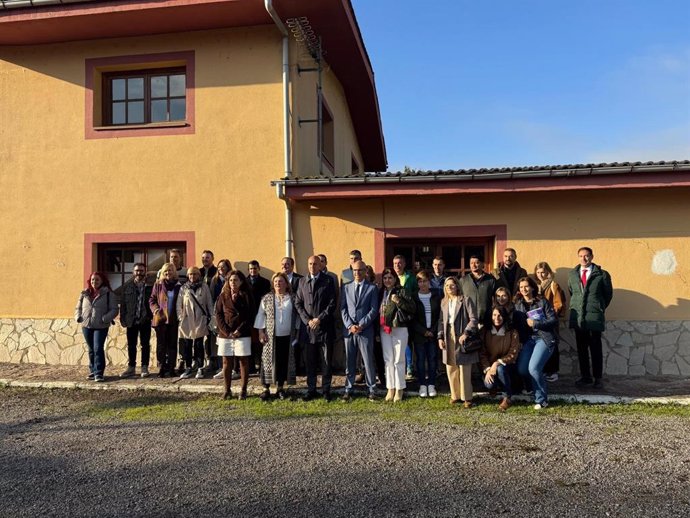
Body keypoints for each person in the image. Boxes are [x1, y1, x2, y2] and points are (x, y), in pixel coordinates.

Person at [567, 247, 613, 390]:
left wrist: (598, 307)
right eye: (581, 256)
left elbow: (608, 295)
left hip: (594, 318)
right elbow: (572, 292)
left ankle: (598, 378)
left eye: (586, 256)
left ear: (592, 256)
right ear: (578, 257)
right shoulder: (573, 275)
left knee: (595, 349)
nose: (584, 259)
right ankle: (585, 377)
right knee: (581, 350)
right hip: (579, 318)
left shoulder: (602, 274)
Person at [294, 255, 337, 401]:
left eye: (315, 264)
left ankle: (326, 390)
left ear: (320, 266)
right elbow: (298, 303)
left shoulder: (328, 281)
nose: (312, 266)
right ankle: (311, 389)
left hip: (324, 328)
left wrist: (319, 319)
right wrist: (308, 320)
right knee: (310, 362)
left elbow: (332, 303)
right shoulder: (301, 281)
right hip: (308, 330)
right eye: (310, 263)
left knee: (326, 362)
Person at [513, 276, 558, 410]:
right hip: (528, 340)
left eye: (526, 286)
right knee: (522, 369)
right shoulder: (518, 304)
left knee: (533, 368)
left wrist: (536, 323)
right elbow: (517, 325)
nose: (524, 289)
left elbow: (553, 321)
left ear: (532, 287)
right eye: (521, 287)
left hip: (544, 338)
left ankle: (542, 400)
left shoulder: (542, 301)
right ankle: (535, 383)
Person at [254, 272, 299, 401]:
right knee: (267, 361)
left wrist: (297, 332)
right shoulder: (267, 298)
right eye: (275, 282)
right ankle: (266, 388)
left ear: (286, 283)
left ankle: (280, 388)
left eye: (280, 281)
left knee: (282, 362)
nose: (278, 284)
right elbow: (261, 315)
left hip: (287, 336)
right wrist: (261, 332)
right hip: (270, 337)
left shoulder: (292, 298)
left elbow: (296, 316)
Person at [340, 260, 380, 401]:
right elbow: (343, 308)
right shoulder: (346, 287)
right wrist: (350, 325)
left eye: (360, 270)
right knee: (350, 361)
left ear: (365, 271)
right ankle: (348, 389)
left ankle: (372, 389)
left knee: (368, 361)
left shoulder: (372, 288)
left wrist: (362, 324)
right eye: (355, 270)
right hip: (349, 331)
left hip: (365, 330)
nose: (357, 273)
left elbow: (374, 310)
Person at [437, 276, 478, 408]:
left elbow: (473, 319)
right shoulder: (443, 302)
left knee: (464, 367)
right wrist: (440, 337)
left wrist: (466, 333)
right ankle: (455, 395)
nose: (450, 287)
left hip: (462, 335)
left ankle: (467, 397)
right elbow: (441, 321)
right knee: (451, 366)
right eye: (447, 285)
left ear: (457, 286)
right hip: (448, 335)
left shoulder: (465, 300)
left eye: (452, 285)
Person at [378, 267, 416, 402]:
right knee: (388, 360)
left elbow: (412, 308)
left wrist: (398, 301)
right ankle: (390, 388)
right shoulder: (380, 292)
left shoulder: (402, 291)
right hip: (384, 328)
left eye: (390, 278)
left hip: (399, 327)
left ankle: (399, 389)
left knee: (399, 359)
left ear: (395, 279)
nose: (387, 280)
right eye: (385, 278)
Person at [215, 270, 254, 400]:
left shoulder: (247, 295)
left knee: (243, 361)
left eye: (236, 280)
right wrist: (227, 332)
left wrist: (239, 330)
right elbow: (218, 314)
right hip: (226, 333)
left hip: (242, 333)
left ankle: (243, 390)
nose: (233, 283)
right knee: (226, 362)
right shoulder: (223, 296)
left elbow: (250, 315)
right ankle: (227, 390)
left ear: (241, 281)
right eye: (231, 280)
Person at [75, 272, 119, 382]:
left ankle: (99, 373)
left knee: (98, 348)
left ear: (102, 281)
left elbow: (114, 309)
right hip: (86, 325)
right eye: (92, 280)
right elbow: (78, 307)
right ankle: (93, 370)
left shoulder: (108, 293)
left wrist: (105, 318)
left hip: (101, 326)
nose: (94, 282)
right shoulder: (85, 293)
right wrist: (78, 317)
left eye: (97, 280)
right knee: (91, 349)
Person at [480, 306, 521, 411]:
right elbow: (482, 353)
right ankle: (495, 386)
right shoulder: (485, 331)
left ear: (505, 317)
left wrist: (497, 363)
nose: (497, 318)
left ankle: (507, 397)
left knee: (500, 369)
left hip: (507, 366)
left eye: (500, 315)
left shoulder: (512, 332)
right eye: (494, 315)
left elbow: (513, 353)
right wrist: (488, 369)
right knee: (489, 385)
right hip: (489, 367)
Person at [177, 266, 214, 379]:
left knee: (199, 344)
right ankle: (188, 368)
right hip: (187, 320)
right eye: (190, 274)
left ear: (199, 275)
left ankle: (200, 368)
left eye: (195, 274)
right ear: (188, 276)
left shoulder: (204, 287)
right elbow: (179, 304)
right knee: (187, 345)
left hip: (200, 319)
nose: (193, 276)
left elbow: (209, 303)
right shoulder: (184, 288)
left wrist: (211, 317)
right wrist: (180, 317)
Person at [119, 262, 153, 378]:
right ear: (133, 272)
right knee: (131, 345)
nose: (139, 273)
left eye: (141, 271)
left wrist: (152, 317)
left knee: (145, 345)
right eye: (137, 271)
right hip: (131, 320)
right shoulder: (127, 286)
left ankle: (144, 367)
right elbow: (123, 304)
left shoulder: (150, 286)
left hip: (145, 320)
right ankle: (131, 367)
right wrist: (123, 319)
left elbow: (154, 302)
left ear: (145, 272)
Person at [534, 262, 566, 382]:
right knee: (541, 344)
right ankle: (543, 369)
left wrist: (550, 315)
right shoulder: (537, 286)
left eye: (543, 272)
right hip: (539, 321)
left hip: (550, 320)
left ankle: (553, 371)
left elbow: (558, 304)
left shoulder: (553, 285)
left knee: (552, 344)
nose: (540, 275)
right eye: (538, 272)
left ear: (548, 272)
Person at [149, 263, 182, 377]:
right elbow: (152, 300)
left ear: (174, 272)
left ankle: (172, 368)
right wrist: (156, 310)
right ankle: (161, 368)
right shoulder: (158, 285)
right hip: (161, 319)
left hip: (173, 320)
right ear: (163, 273)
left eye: (170, 271)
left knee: (172, 345)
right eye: (166, 271)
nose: (168, 273)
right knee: (161, 345)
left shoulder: (178, 286)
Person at [412, 271, 441, 398]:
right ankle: (422, 385)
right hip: (420, 334)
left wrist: (433, 330)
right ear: (417, 283)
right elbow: (411, 318)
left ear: (429, 282)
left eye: (425, 281)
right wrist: (423, 331)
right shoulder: (414, 297)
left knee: (432, 359)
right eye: (420, 281)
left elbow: (440, 315)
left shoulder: (436, 296)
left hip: (433, 333)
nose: (423, 284)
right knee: (420, 360)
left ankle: (431, 384)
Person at [393, 254, 418, 381]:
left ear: (404, 264)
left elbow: (415, 294)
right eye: (395, 263)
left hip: (407, 314)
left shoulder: (410, 278)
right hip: (393, 316)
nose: (397, 265)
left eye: (400, 263)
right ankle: (398, 367)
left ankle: (409, 367)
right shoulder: (390, 277)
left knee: (407, 342)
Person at [209, 259, 232, 378]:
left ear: (228, 267)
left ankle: (233, 368)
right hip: (219, 314)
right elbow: (212, 299)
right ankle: (221, 367)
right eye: (219, 267)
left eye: (223, 267)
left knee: (232, 340)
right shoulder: (215, 280)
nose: (221, 269)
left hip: (230, 314)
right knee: (220, 341)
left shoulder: (232, 279)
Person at [247, 260, 272, 374]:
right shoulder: (244, 282)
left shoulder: (265, 282)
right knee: (250, 342)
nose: (253, 271)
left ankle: (262, 366)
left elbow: (267, 298)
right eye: (251, 269)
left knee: (261, 342)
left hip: (261, 314)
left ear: (259, 269)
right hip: (248, 316)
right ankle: (251, 366)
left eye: (255, 268)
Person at [459, 255, 496, 329]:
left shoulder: (490, 280)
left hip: (486, 321)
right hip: (468, 321)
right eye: (471, 263)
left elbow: (495, 299)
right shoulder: (463, 280)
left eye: (477, 262)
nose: (474, 265)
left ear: (482, 264)